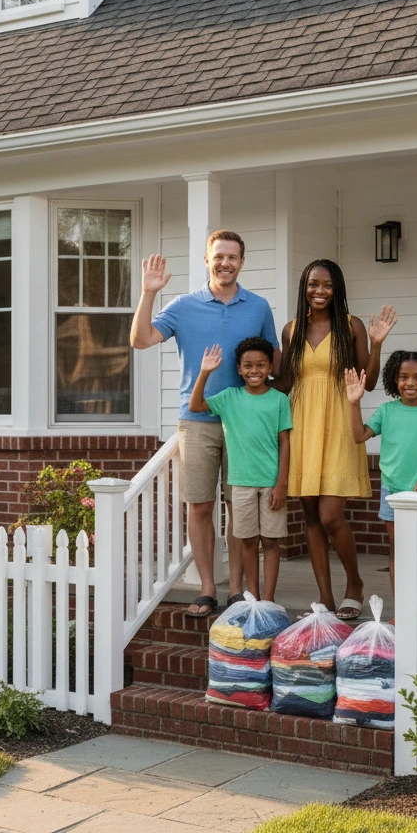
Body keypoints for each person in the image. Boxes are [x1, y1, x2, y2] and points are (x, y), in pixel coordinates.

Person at [130, 231, 278, 617]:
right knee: (200, 505)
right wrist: (148, 293)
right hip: (196, 419)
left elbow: (271, 362)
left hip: (244, 424)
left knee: (238, 504)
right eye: (219, 256)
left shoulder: (259, 307)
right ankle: (208, 588)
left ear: (242, 262)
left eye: (232, 257)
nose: (225, 263)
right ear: (206, 260)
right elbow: (141, 339)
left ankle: (238, 589)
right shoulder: (183, 305)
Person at [277, 259, 397, 619]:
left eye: (327, 285)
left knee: (331, 516)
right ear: (304, 287)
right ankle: (325, 600)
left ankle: (354, 584)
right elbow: (284, 383)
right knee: (310, 514)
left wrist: (376, 346)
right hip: (302, 426)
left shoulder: (351, 326)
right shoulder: (291, 330)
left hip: (340, 424)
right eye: (313, 284)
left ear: (337, 288)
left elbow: (369, 382)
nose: (319, 291)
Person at [188, 337, 292, 602]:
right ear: (238, 369)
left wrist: (282, 484)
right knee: (247, 541)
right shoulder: (229, 398)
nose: (254, 370)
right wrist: (204, 372)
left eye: (260, 365)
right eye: (248, 365)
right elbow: (196, 405)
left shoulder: (279, 400)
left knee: (270, 542)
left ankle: (268, 599)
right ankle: (253, 598)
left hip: (270, 483)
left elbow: (285, 443)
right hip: (241, 483)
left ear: (270, 368)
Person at [344, 350, 417, 593]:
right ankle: (400, 610)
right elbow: (358, 436)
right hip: (392, 490)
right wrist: (354, 403)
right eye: (404, 377)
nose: (410, 383)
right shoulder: (386, 410)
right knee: (397, 550)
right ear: (395, 379)